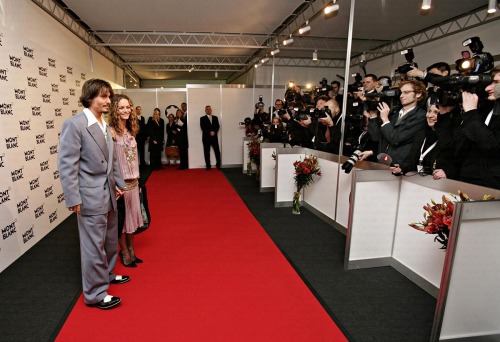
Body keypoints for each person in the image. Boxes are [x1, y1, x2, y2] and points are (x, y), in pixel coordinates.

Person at [57, 79, 128, 310]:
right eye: (103, 96)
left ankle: (106, 275)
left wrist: (119, 184)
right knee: (93, 246)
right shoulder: (75, 125)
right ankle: (95, 294)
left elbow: (113, 161)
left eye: (109, 96)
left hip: (108, 195)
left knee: (108, 241)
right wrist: (73, 197)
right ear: (90, 98)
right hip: (89, 196)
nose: (108, 101)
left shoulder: (104, 126)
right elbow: (68, 165)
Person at [108, 94, 144, 267]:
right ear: (115, 110)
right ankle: (125, 252)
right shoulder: (111, 132)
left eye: (128, 107)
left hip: (134, 183)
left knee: (132, 219)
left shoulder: (131, 131)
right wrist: (114, 184)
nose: (126, 110)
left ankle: (132, 250)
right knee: (122, 221)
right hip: (121, 185)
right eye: (121, 107)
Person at [361, 79, 427, 165]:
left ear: (418, 94)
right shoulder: (394, 114)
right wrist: (373, 116)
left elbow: (396, 139)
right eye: (401, 92)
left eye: (406, 92)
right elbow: (377, 137)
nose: (401, 96)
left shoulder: (421, 116)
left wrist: (385, 119)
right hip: (382, 163)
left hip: (399, 167)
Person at [200, 105, 221, 170]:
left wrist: (214, 132)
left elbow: (217, 126)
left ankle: (218, 165)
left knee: (217, 151)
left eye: (209, 109)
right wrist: (210, 132)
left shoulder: (215, 118)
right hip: (206, 137)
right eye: (207, 109)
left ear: (211, 110)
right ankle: (208, 166)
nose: (208, 110)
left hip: (214, 137)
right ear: (205, 111)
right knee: (206, 152)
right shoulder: (202, 118)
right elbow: (203, 127)